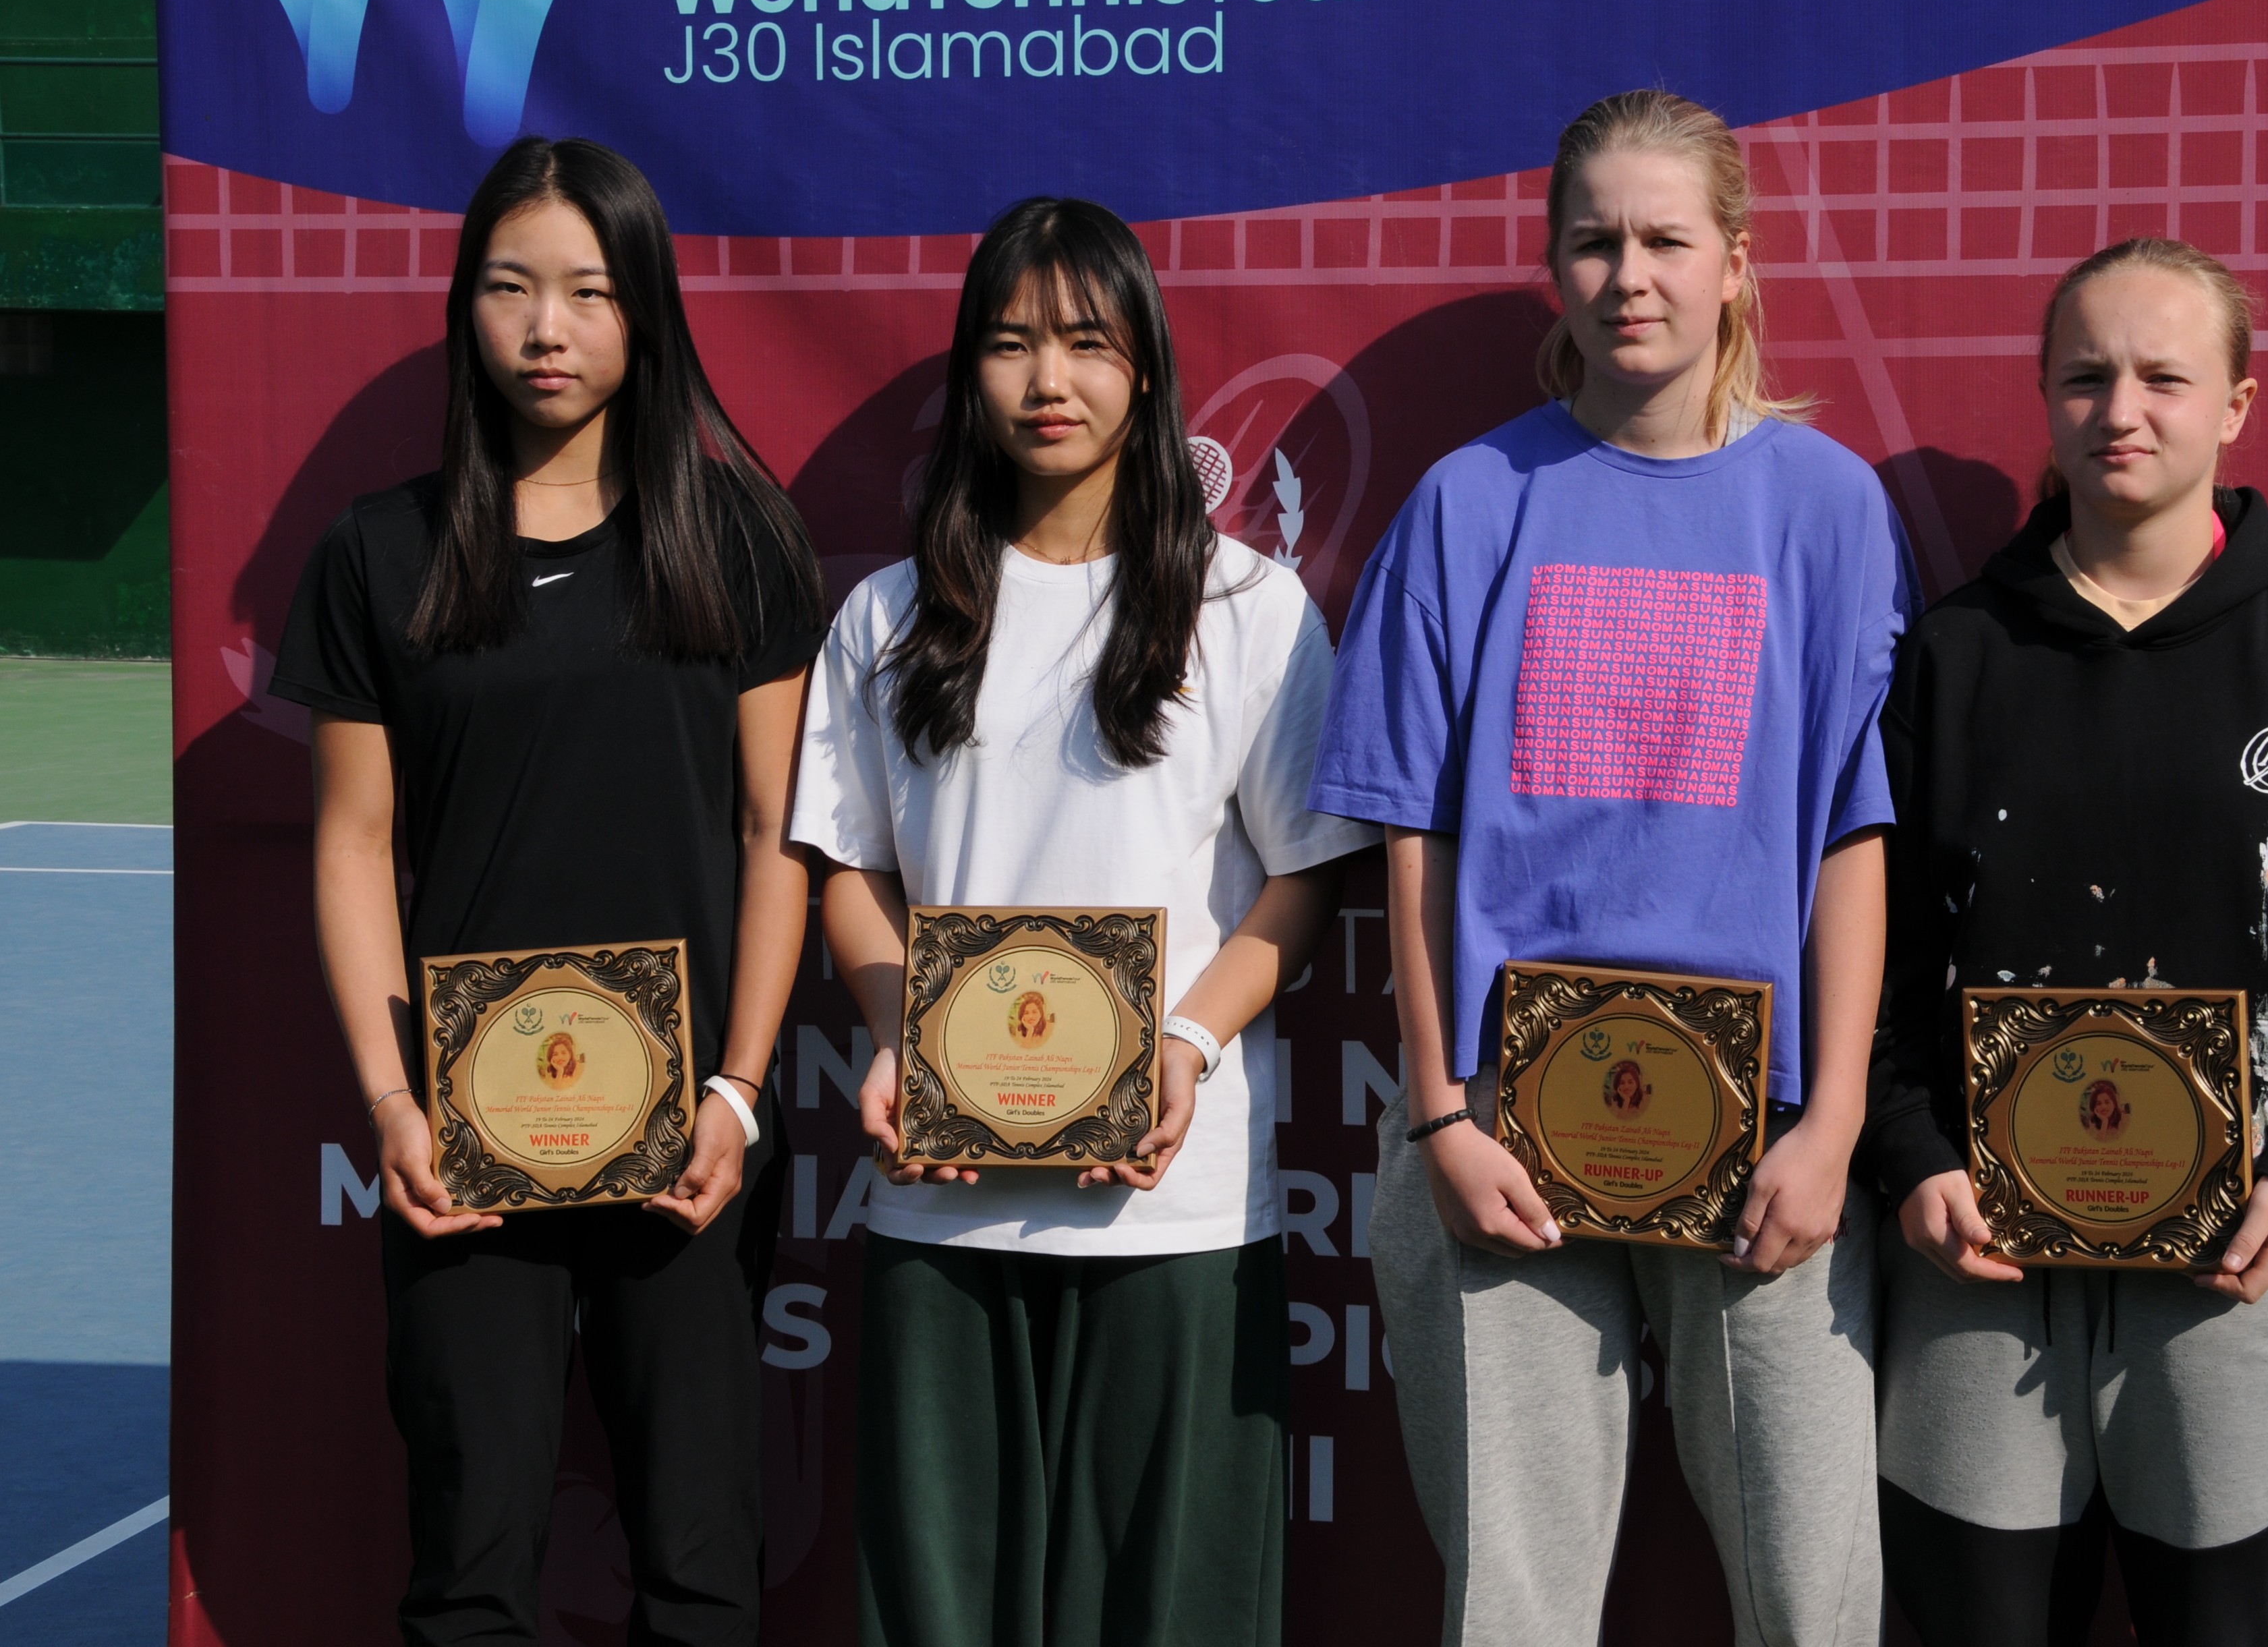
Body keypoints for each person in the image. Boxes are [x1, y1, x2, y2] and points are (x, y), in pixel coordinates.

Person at [1311, 89, 1910, 1647]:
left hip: (1768, 1132)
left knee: (1814, 1599)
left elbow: (1853, 835)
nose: (1627, 273)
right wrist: (1439, 1110)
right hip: (1503, 1128)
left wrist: (1835, 1118)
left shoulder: (1830, 509)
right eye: (1592, 240)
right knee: (1511, 1608)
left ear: (1734, 263)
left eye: (1662, 238)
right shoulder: (1465, 502)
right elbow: (1409, 842)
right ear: (1553, 268)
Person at [1865, 236, 2268, 1647]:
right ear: (2042, 396)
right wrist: (1909, 1158)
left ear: (2235, 405)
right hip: (1979, 1286)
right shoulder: (1955, 656)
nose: (2120, 409)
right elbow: (1877, 967)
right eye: (2085, 376)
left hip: (2235, 1286)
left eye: (2162, 376)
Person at [790, 196, 1371, 1647]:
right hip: (940, 1196)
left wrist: (1181, 1036)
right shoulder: (884, 616)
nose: (1048, 379)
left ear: (1146, 368)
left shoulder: (1250, 608)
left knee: (1170, 1608)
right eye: (1009, 342)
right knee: (939, 1608)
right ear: (967, 374)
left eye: (1086, 342)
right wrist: (889, 1032)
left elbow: (1301, 877)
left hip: (1169, 1214)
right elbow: (847, 866)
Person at [276, 136, 824, 1645]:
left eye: (588, 290)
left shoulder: (736, 540)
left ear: (643, 311)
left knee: (704, 1568)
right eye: (510, 288)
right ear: (466, 310)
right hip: (463, 1143)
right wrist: (397, 1101)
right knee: (470, 1564)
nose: (546, 328)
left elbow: (780, 830)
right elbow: (346, 844)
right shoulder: (375, 556)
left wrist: (737, 1088)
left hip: (686, 1144)